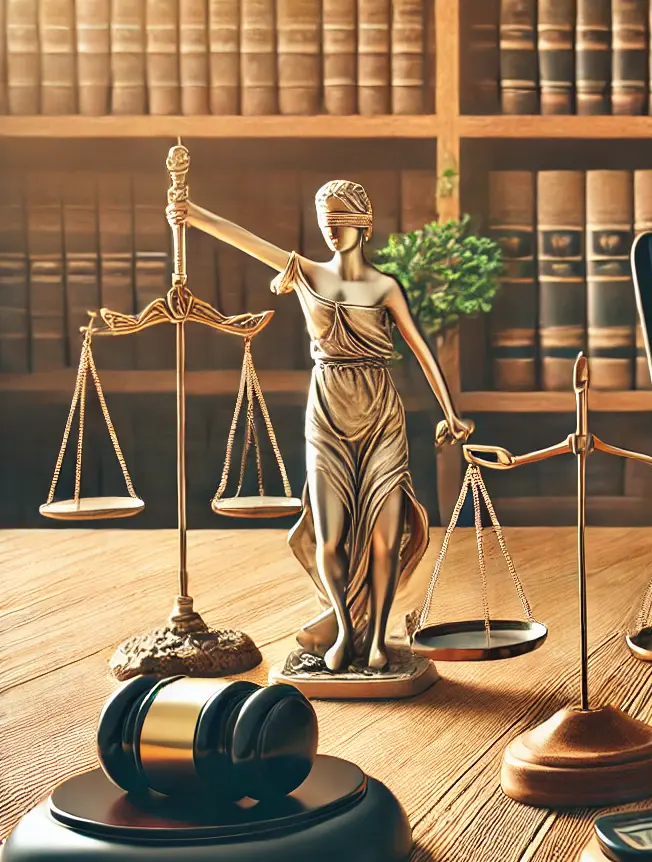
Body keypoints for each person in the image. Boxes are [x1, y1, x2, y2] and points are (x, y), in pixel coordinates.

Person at [174, 181, 474, 673]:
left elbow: (421, 349)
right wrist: (193, 213)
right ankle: (345, 626)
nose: (332, 231)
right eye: (325, 222)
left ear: (364, 222)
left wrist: (450, 411)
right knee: (328, 537)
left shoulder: (384, 288)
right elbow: (245, 239)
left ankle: (375, 636)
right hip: (327, 415)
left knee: (383, 537)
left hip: (380, 417)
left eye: (341, 220)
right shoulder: (307, 274)